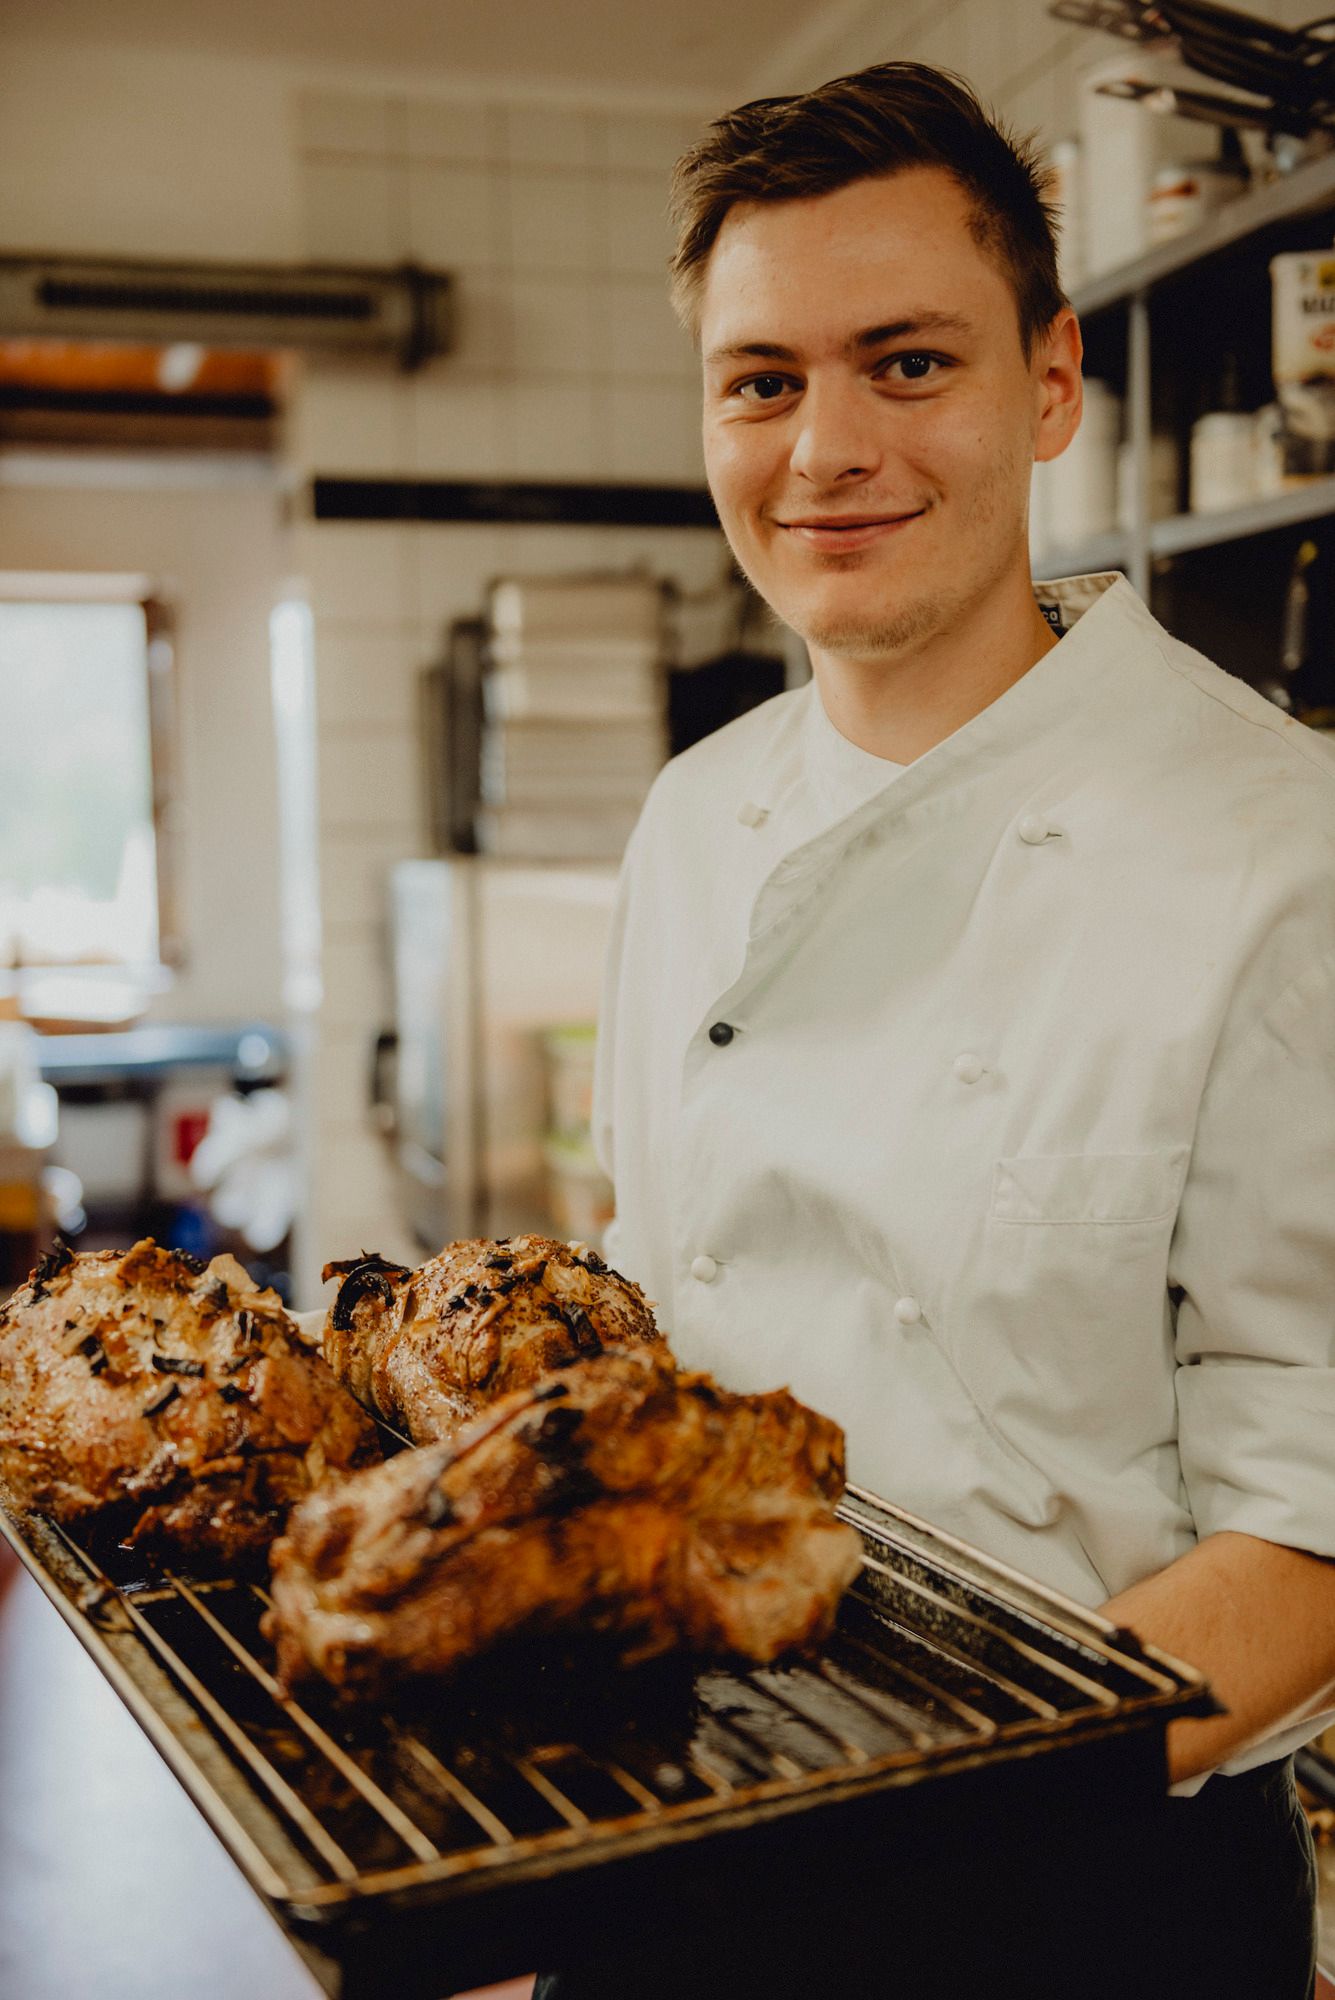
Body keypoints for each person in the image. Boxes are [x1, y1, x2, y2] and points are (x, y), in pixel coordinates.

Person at [536, 62, 1334, 2000]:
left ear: (1048, 383)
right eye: (761, 381)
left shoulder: (1276, 845)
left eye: (906, 363)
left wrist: (912, 1805)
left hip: (1086, 1877)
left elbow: (1316, 1525)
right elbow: (654, 1317)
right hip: (679, 1815)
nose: (826, 448)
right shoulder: (691, 816)